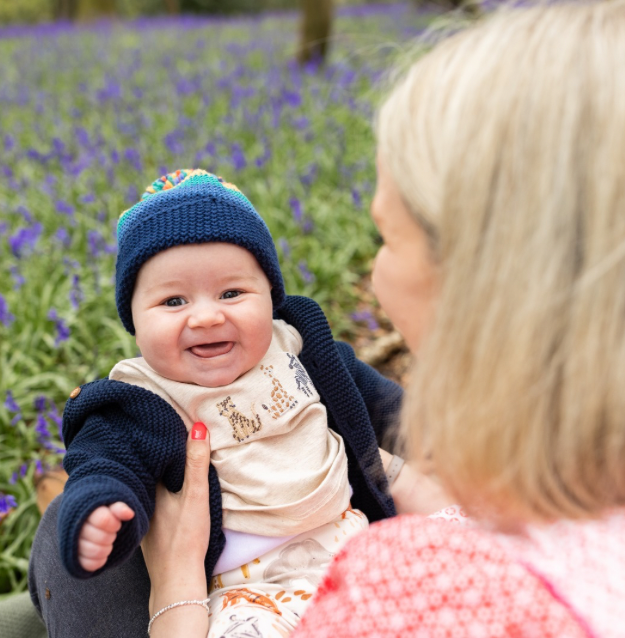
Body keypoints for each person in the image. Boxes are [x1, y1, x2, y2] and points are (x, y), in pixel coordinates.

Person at [137, 1, 625, 636]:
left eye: (386, 237)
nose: (374, 270)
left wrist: (176, 583)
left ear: (488, 287)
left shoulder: (406, 594)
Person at [28, 169, 447, 638]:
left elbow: (384, 404)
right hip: (252, 590)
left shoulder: (299, 349)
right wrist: (99, 511)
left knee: (440, 586)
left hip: (357, 546)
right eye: (173, 301)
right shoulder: (142, 399)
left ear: (271, 296)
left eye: (232, 293)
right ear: (134, 321)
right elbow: (106, 464)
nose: (207, 316)